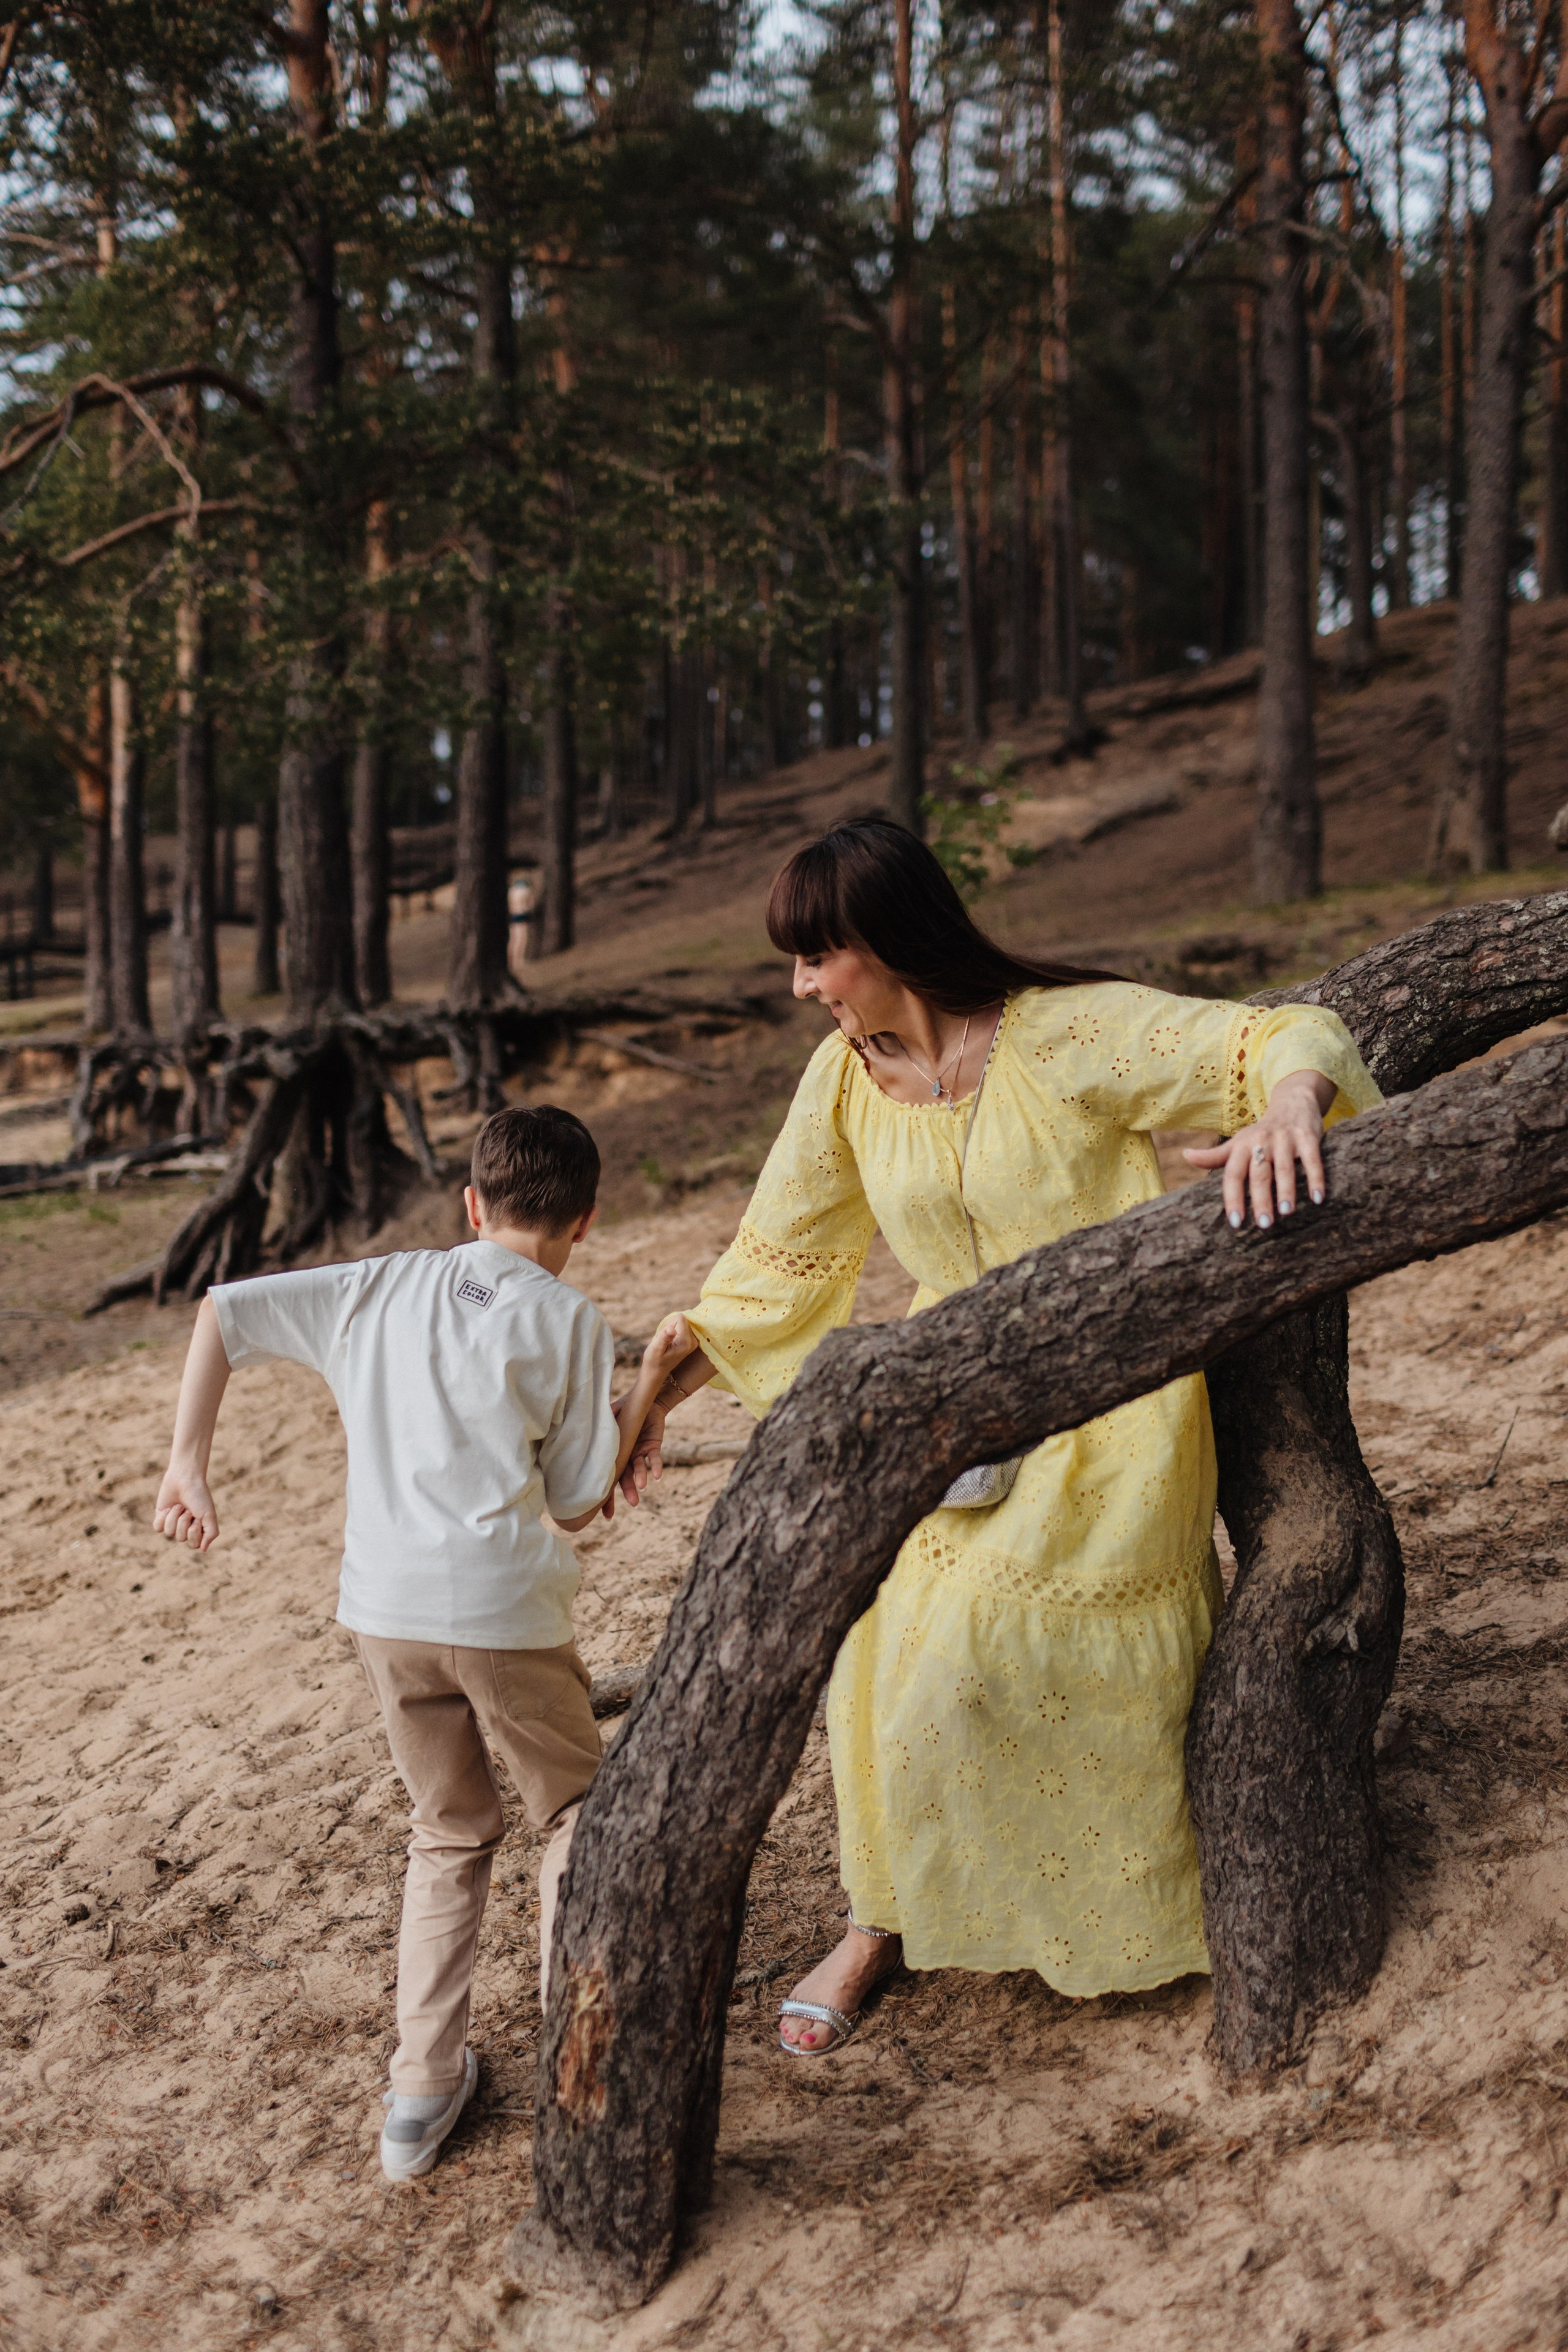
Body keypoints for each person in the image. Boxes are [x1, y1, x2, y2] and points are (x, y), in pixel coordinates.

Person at [618, 817, 1382, 2054]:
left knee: (987, 1651)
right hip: (945, 1402)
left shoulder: (1060, 1036)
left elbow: (1278, 1035)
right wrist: (661, 1386)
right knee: (870, 1638)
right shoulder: (842, 1079)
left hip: (1110, 1406)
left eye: (817, 958)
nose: (802, 987)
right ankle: (879, 1919)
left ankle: (1118, 1906)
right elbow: (776, 1266)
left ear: (887, 941)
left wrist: (1288, 1108)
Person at [151, 1104, 689, 2177]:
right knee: (573, 1816)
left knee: (447, 1831)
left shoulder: (378, 1286)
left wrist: (187, 1465)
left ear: (472, 1204)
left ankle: (419, 2097)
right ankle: (581, 2070)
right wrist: (646, 1392)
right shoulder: (571, 1320)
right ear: (585, 1221)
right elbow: (577, 1503)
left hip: (385, 1612)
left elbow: (222, 1312)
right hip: (504, 1616)